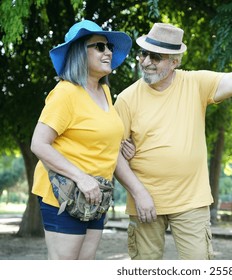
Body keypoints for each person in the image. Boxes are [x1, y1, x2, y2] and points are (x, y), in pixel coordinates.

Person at [114, 22, 232, 260]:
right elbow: (113, 155)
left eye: (155, 57)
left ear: (175, 62)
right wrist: (139, 193)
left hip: (191, 202)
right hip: (144, 202)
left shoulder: (195, 84)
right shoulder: (126, 99)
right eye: (143, 53)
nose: (145, 61)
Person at [30, 19, 155, 260]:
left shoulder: (104, 92)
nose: (108, 51)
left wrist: (137, 187)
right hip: (64, 195)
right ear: (79, 52)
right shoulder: (65, 93)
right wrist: (81, 178)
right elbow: (38, 144)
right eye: (99, 46)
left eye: (108, 47)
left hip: (96, 195)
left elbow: (107, 149)